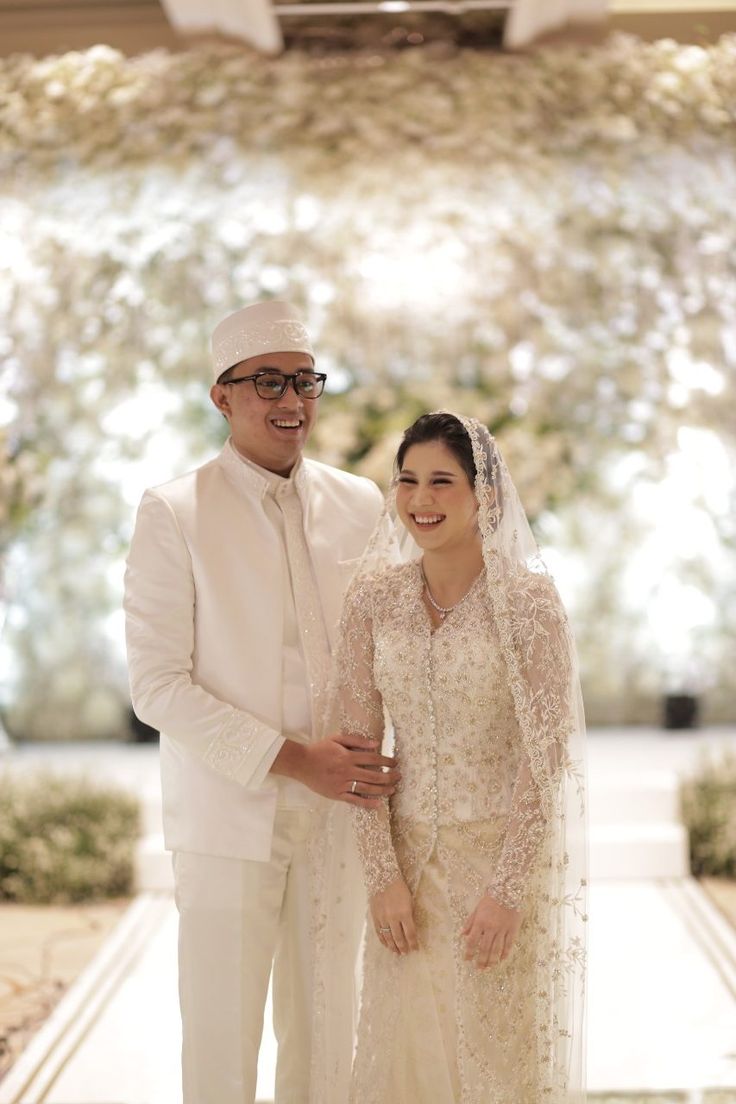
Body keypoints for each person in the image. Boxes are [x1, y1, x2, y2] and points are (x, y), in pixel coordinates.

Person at [123, 300, 399, 1104]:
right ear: (222, 395)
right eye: (267, 382)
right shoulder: (173, 511)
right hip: (227, 817)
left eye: (305, 382)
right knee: (221, 1042)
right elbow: (157, 686)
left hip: (338, 813)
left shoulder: (360, 503)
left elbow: (386, 652)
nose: (291, 402)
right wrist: (292, 760)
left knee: (325, 1042)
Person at [310, 411, 587, 1104]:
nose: (420, 500)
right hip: (406, 880)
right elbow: (356, 750)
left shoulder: (528, 605)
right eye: (407, 481)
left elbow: (545, 757)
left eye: (441, 482)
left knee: (493, 1064)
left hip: (494, 881)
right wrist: (381, 878)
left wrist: (508, 890)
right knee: (403, 1064)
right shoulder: (373, 600)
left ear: (484, 494)